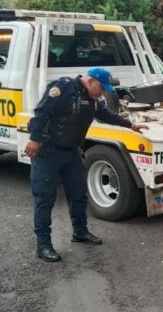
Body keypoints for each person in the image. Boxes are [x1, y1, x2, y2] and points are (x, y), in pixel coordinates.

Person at [24, 67, 148, 262]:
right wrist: (34, 139)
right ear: (90, 81)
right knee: (44, 198)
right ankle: (43, 245)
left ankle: (80, 232)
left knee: (79, 193)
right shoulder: (62, 88)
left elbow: (106, 115)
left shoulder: (92, 99)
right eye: (101, 87)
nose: (102, 92)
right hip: (49, 151)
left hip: (71, 151)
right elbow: (42, 112)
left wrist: (130, 125)